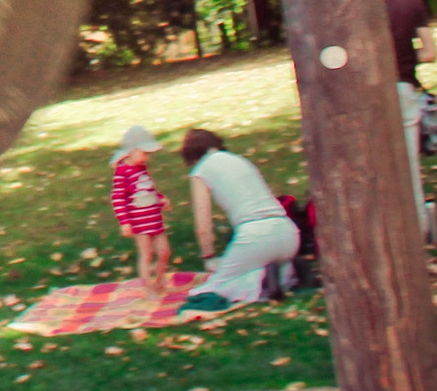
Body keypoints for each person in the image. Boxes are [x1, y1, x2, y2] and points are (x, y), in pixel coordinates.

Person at [179, 128, 299, 314]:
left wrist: (208, 257)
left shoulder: (201, 171)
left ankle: (262, 280)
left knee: (212, 287)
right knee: (250, 265)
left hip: (255, 236)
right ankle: (286, 274)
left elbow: (203, 227)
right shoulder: (241, 160)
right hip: (287, 231)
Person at [382, 0, 437, 235]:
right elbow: (429, 52)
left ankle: (387, 230)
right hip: (403, 86)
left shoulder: (348, 1)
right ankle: (419, 230)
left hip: (363, 95)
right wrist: (403, 55)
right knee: (409, 168)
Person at [109, 124, 173, 292]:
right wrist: (124, 221)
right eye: (144, 153)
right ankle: (149, 287)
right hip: (140, 223)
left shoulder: (142, 168)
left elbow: (148, 189)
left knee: (164, 251)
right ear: (132, 151)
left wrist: (160, 199)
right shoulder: (122, 172)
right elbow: (118, 198)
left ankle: (159, 282)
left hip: (155, 219)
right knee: (147, 254)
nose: (147, 158)